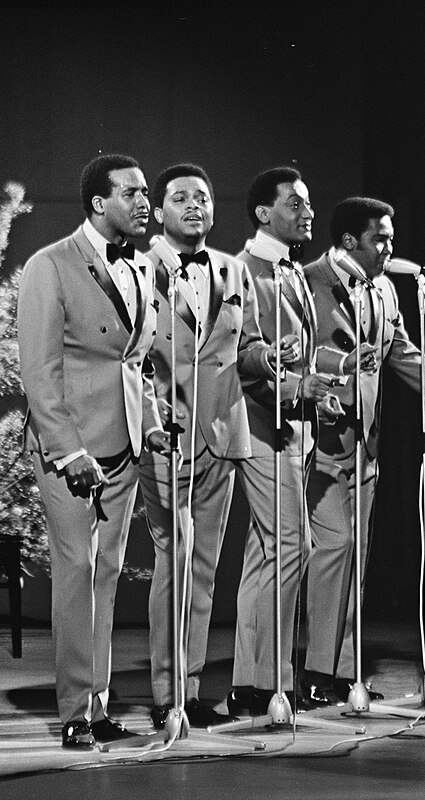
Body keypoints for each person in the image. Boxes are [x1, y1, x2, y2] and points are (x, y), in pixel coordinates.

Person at [302, 196, 425, 706]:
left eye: (391, 238)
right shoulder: (306, 282)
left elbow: (404, 356)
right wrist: (342, 361)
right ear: (349, 240)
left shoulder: (386, 290)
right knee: (334, 551)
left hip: (366, 444)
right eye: (380, 239)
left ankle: (342, 670)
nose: (390, 247)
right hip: (318, 439)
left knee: (356, 559)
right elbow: (296, 352)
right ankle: (317, 671)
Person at [18, 154, 171, 747]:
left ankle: (98, 702)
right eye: (131, 193)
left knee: (105, 573)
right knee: (77, 572)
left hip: (125, 443)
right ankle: (75, 711)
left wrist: (152, 424)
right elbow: (38, 370)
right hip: (72, 451)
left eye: (143, 193)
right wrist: (66, 449)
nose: (144, 203)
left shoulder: (139, 269)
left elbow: (136, 362)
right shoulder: (49, 266)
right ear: (97, 202)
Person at [140, 163, 288, 730]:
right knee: (174, 558)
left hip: (222, 433)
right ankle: (163, 696)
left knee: (202, 568)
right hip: (165, 433)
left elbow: (244, 349)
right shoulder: (138, 267)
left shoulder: (231, 269)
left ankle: (189, 690)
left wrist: (267, 358)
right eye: (181, 198)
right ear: (160, 211)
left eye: (202, 197)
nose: (195, 206)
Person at [227, 167, 342, 717]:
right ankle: (272, 680)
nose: (307, 212)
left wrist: (321, 384)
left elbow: (301, 350)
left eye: (308, 203)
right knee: (290, 546)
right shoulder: (244, 271)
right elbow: (246, 355)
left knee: (268, 551)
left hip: (294, 423)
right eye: (295, 204)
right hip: (261, 423)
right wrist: (298, 382)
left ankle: (251, 682)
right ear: (263, 213)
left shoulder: (293, 273)